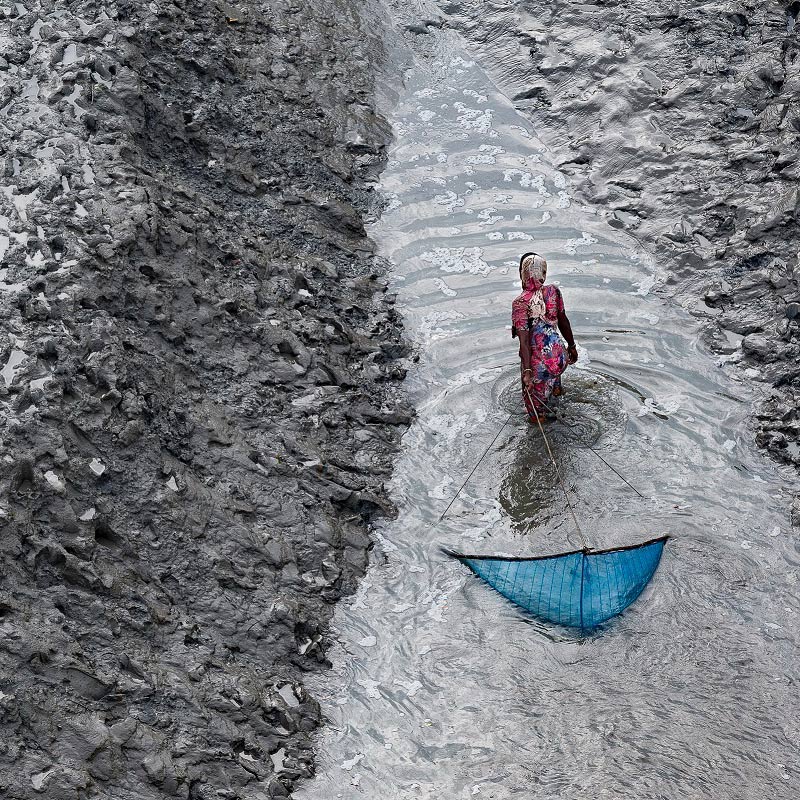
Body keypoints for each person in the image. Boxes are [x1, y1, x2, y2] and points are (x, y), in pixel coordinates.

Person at [511, 252, 577, 422]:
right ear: (543, 272)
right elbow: (563, 320)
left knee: (534, 409)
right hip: (559, 357)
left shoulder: (520, 303)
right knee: (554, 385)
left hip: (540, 364)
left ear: (523, 273)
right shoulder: (553, 291)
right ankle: (557, 392)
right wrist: (572, 346)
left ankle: (539, 419)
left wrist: (527, 373)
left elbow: (524, 342)